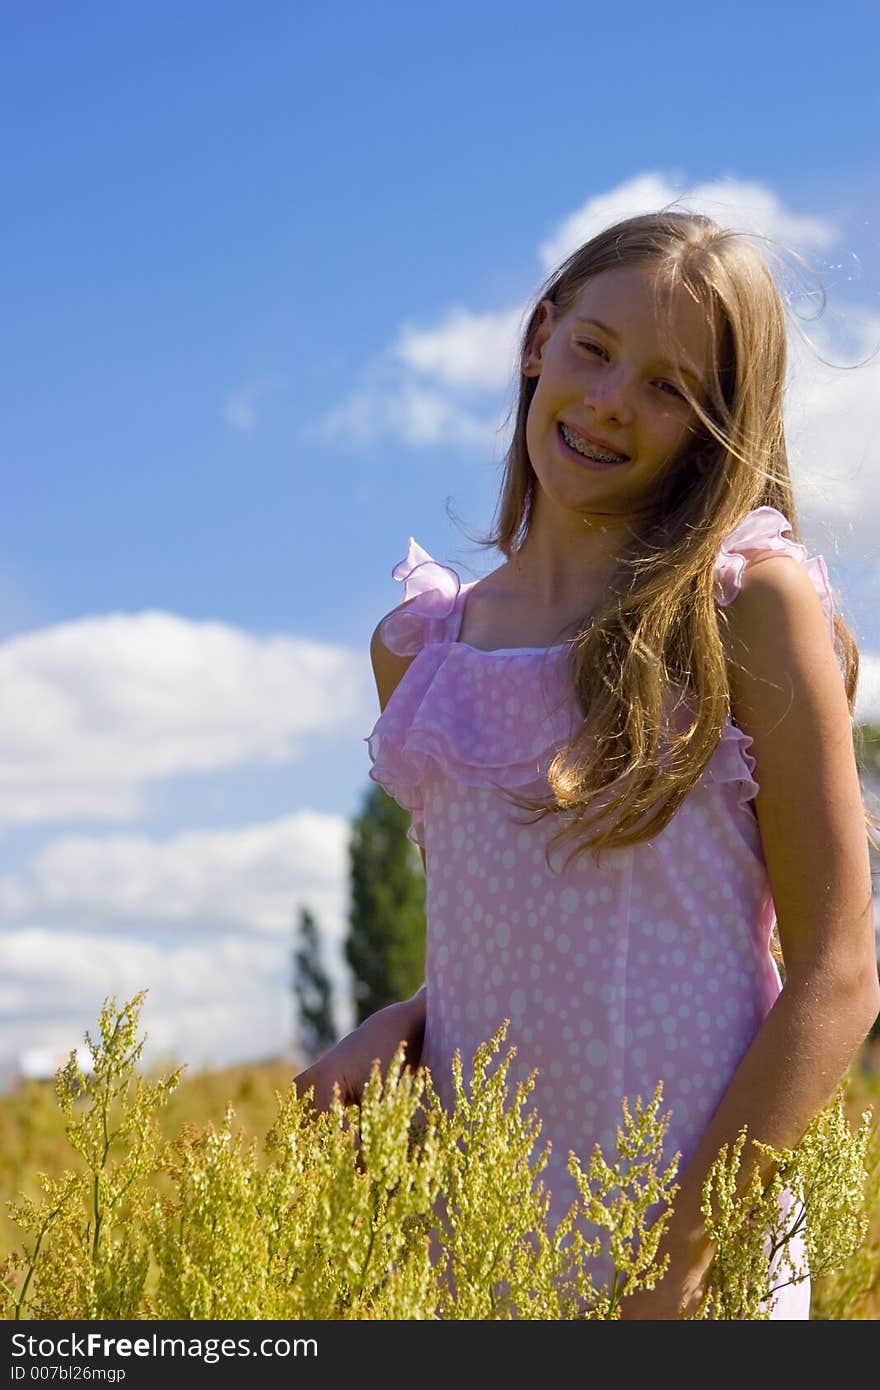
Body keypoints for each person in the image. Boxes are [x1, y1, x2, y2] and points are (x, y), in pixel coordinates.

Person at [294, 210, 880, 1319]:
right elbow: (518, 926)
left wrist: (672, 1269)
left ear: (714, 428)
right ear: (538, 340)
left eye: (669, 387)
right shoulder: (424, 651)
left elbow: (839, 971)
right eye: (594, 351)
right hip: (484, 1238)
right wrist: (405, 1021)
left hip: (692, 1251)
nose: (612, 400)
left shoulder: (741, 608)